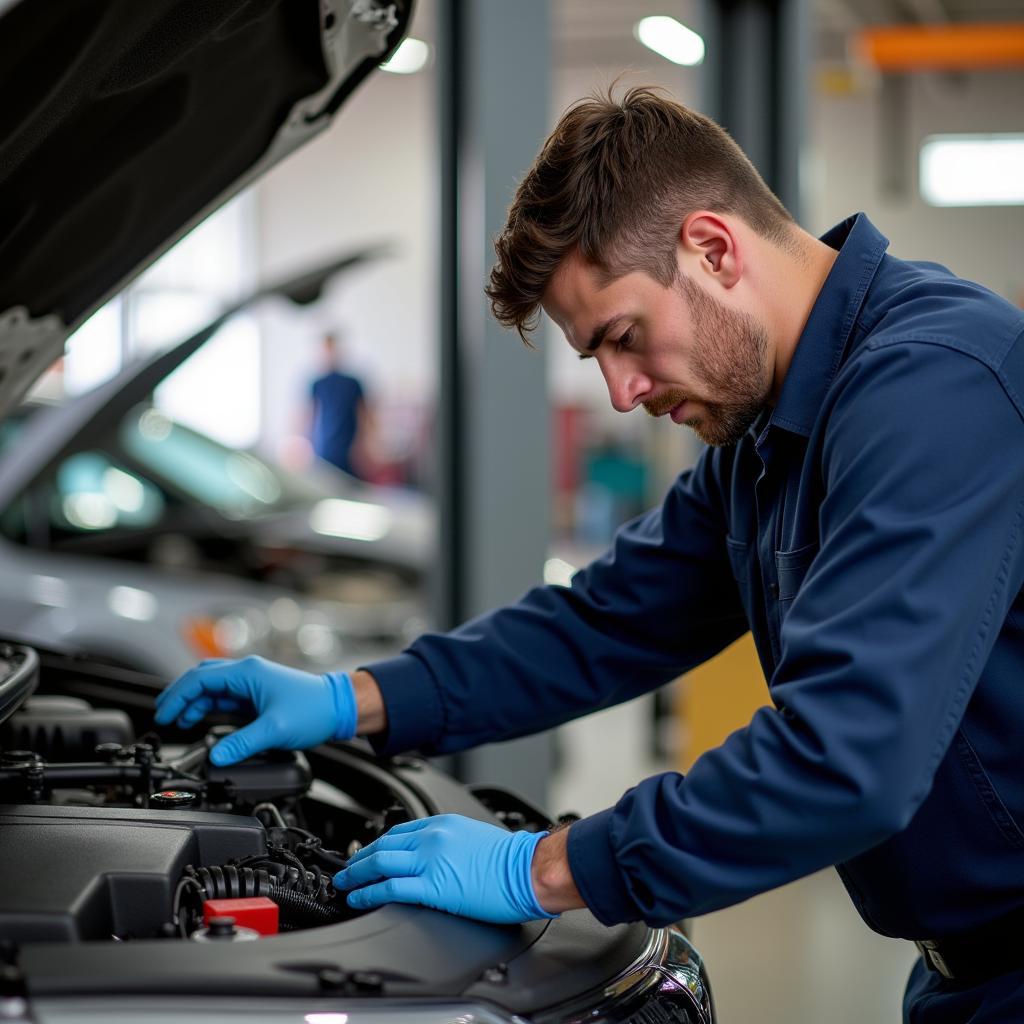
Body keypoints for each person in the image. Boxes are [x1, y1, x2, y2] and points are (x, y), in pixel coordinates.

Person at [156, 87, 1024, 1022]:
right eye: (596, 358)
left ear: (714, 249)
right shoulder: (768, 438)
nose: (620, 393)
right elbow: (604, 619)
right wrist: (350, 699)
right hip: (964, 975)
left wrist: (545, 868)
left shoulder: (936, 388)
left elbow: (846, 758)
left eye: (623, 337)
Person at [308, 332, 370, 477]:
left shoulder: (353, 383)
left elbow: (364, 415)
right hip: (324, 449)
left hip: (350, 448)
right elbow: (310, 415)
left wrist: (364, 446)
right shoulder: (318, 384)